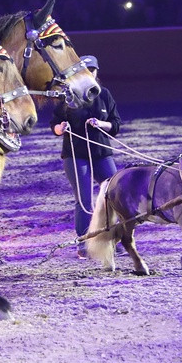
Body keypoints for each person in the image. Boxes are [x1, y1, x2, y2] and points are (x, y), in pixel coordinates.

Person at [50, 55, 122, 246]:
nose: (89, 74)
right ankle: (84, 242)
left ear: (97, 72)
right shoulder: (67, 96)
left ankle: (114, 239)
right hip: (75, 155)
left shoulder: (104, 94)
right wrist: (60, 128)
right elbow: (55, 125)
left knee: (114, 195)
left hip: (101, 153)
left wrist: (101, 124)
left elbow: (115, 124)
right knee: (84, 200)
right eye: (85, 70)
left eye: (92, 70)